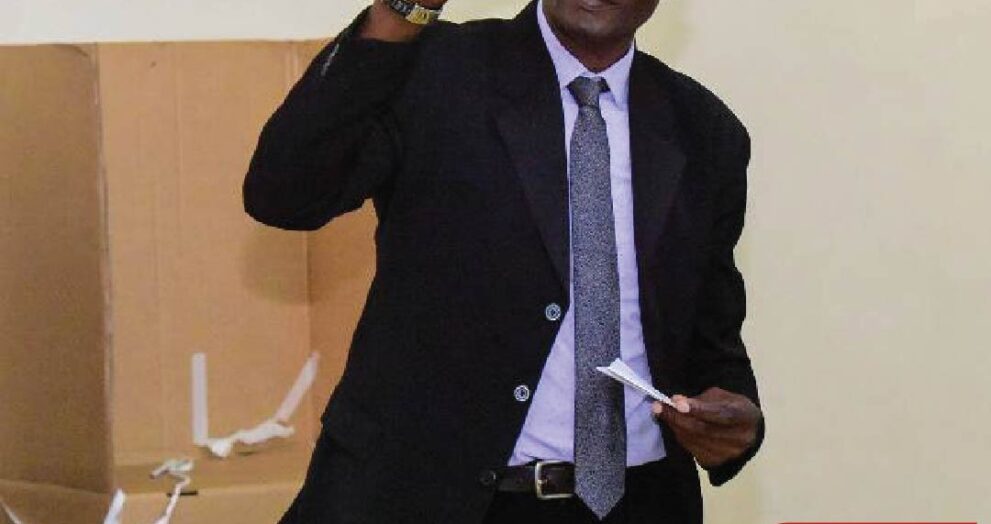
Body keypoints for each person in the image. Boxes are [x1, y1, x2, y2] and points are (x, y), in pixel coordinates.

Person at [243, 0, 765, 521]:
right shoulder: (437, 70)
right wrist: (401, 12)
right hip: (428, 499)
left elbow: (710, 340)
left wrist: (737, 418)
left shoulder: (705, 133)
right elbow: (286, 194)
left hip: (640, 502)